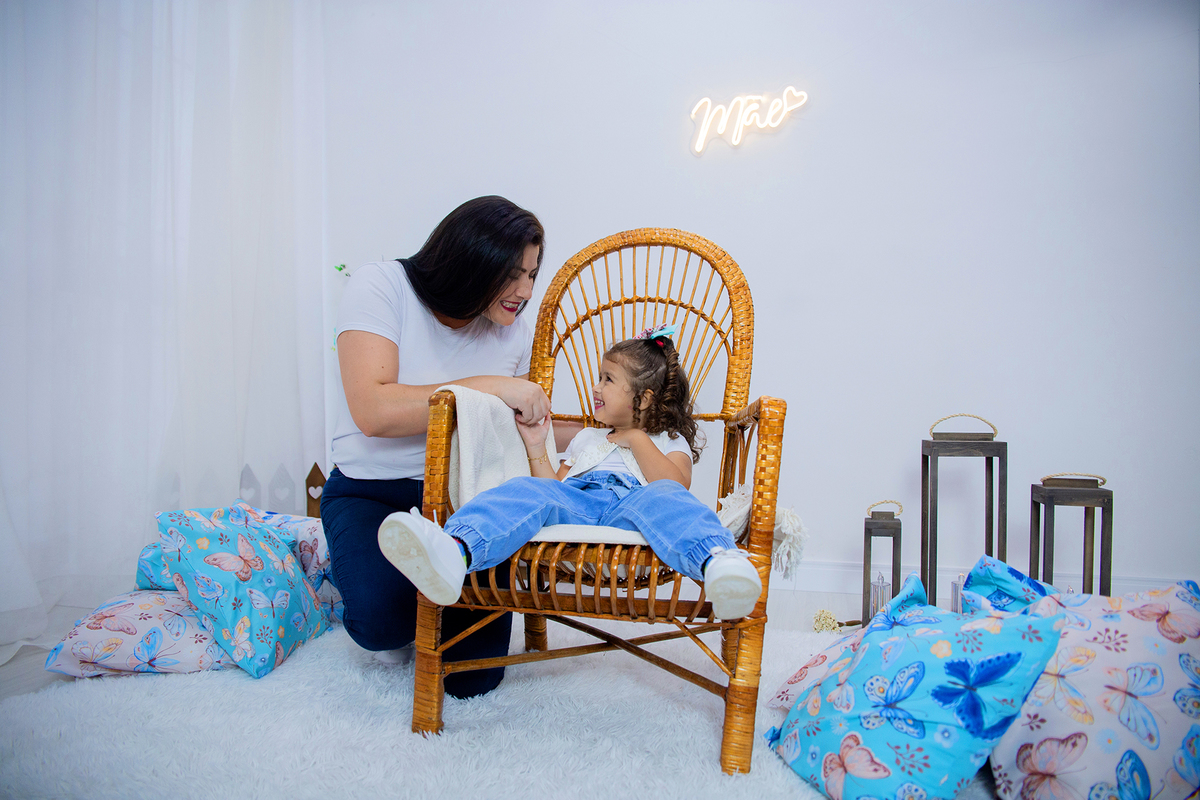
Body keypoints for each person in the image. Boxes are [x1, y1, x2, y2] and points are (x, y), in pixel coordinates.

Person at [321, 195, 553, 698]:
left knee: (474, 679)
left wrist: (622, 432)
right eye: (514, 273)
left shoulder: (511, 331)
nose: (525, 291)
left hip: (466, 501)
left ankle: (435, 576)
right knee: (382, 625)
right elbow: (375, 412)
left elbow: (523, 423)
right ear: (473, 260)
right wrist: (489, 386)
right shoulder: (381, 287)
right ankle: (359, 566)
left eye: (532, 275)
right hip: (373, 494)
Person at [376, 324, 763, 621]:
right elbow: (553, 491)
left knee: (668, 500)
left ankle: (718, 562)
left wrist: (636, 439)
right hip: (579, 500)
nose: (596, 387)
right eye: (599, 376)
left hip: (635, 507)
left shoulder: (667, 439)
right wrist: (535, 444)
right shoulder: (587, 438)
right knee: (525, 490)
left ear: (643, 398)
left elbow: (674, 485)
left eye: (608, 380)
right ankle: (454, 551)